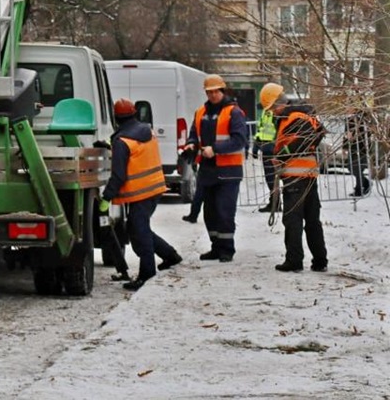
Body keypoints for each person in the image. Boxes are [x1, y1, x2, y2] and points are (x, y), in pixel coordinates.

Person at [102, 99, 181, 291]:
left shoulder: (122, 142)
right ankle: (170, 255)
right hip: (154, 188)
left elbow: (118, 175)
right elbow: (136, 152)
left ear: (116, 118)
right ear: (134, 114)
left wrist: (106, 197)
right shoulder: (147, 132)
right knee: (138, 228)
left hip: (140, 192)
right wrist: (111, 146)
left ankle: (147, 273)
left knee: (139, 231)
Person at [185, 74, 248, 262]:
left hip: (228, 171)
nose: (212, 95)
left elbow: (239, 140)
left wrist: (215, 149)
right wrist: (191, 144)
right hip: (207, 170)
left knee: (224, 211)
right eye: (209, 92)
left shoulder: (234, 112)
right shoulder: (200, 112)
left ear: (222, 90)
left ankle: (227, 249)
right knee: (210, 213)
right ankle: (216, 247)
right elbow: (193, 134)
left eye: (215, 91)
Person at [270, 90, 328, 273]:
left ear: (279, 104)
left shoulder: (293, 117)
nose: (272, 112)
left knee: (293, 219)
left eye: (272, 108)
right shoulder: (303, 115)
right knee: (312, 220)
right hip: (308, 175)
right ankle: (320, 260)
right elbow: (318, 133)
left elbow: (303, 140)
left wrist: (281, 156)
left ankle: (294, 260)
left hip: (295, 177)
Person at [253, 83, 283, 213]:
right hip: (265, 148)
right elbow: (261, 129)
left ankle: (276, 203)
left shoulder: (276, 112)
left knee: (273, 178)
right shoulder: (266, 112)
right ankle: (274, 202)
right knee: (269, 178)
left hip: (273, 149)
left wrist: (274, 145)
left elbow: (280, 130)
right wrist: (256, 144)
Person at [344, 108, 373, 198]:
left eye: (349, 107)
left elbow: (368, 133)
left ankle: (359, 189)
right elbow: (346, 134)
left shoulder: (363, 118)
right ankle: (365, 183)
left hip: (362, 147)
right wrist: (344, 146)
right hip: (352, 147)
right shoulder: (348, 119)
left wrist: (354, 134)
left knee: (357, 168)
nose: (347, 109)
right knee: (351, 167)